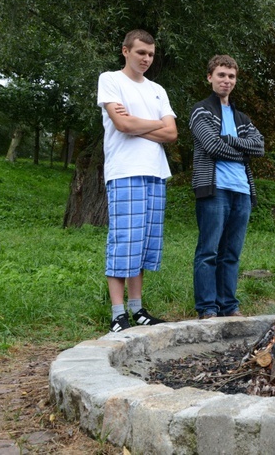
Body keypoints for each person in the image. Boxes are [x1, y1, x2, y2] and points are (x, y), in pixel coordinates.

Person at [97, 29, 178, 332]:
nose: (146, 59)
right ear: (125, 51)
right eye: (141, 52)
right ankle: (118, 314)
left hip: (155, 172)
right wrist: (150, 123)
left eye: (151, 54)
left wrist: (135, 124)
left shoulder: (157, 89)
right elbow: (121, 123)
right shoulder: (111, 80)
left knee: (143, 245)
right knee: (124, 242)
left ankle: (137, 308)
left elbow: (171, 133)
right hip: (125, 171)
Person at [189, 54, 264, 319]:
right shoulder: (201, 110)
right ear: (210, 77)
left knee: (231, 253)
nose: (227, 80)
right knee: (209, 250)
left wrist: (231, 143)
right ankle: (207, 308)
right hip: (214, 188)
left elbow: (260, 146)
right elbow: (211, 145)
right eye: (221, 75)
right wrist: (242, 150)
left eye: (231, 76)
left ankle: (229, 306)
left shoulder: (241, 117)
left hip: (242, 190)